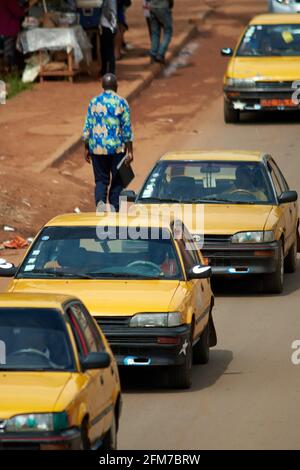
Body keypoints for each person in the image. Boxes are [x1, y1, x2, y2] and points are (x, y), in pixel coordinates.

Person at [83, 73, 134, 212]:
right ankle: (114, 206)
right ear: (116, 86)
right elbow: (127, 129)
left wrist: (87, 148)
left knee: (101, 180)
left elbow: (88, 127)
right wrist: (130, 151)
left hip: (97, 149)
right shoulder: (121, 102)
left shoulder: (94, 102)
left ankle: (100, 203)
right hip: (117, 149)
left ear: (103, 86)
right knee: (118, 179)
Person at [0, 0, 25, 72]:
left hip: (3, 29)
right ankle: (9, 73)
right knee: (9, 54)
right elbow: (18, 13)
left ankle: (6, 72)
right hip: (8, 29)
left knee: (6, 52)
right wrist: (24, 9)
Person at [100, 0, 118, 77]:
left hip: (109, 26)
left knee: (109, 50)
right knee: (103, 50)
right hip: (104, 25)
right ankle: (104, 70)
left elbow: (112, 12)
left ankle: (111, 72)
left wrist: (113, 27)